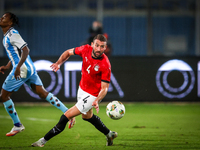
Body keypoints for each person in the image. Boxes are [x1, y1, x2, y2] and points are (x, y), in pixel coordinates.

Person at [31, 34, 117, 147]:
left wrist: (97, 100)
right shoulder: (85, 49)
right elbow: (68, 52)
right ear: (92, 45)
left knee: (65, 116)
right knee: (87, 116)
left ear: (105, 48)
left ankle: (42, 141)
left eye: (102, 47)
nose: (99, 49)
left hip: (92, 95)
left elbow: (104, 88)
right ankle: (109, 134)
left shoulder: (105, 64)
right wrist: (58, 63)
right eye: (97, 45)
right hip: (82, 89)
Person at [0, 12, 75, 137]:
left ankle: (17, 125)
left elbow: (25, 50)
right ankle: (69, 114)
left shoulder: (12, 34)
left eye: (4, 17)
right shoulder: (8, 35)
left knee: (3, 96)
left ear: (10, 22)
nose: (1, 18)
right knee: (43, 93)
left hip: (23, 69)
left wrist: (17, 67)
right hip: (29, 68)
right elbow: (17, 53)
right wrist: (8, 66)